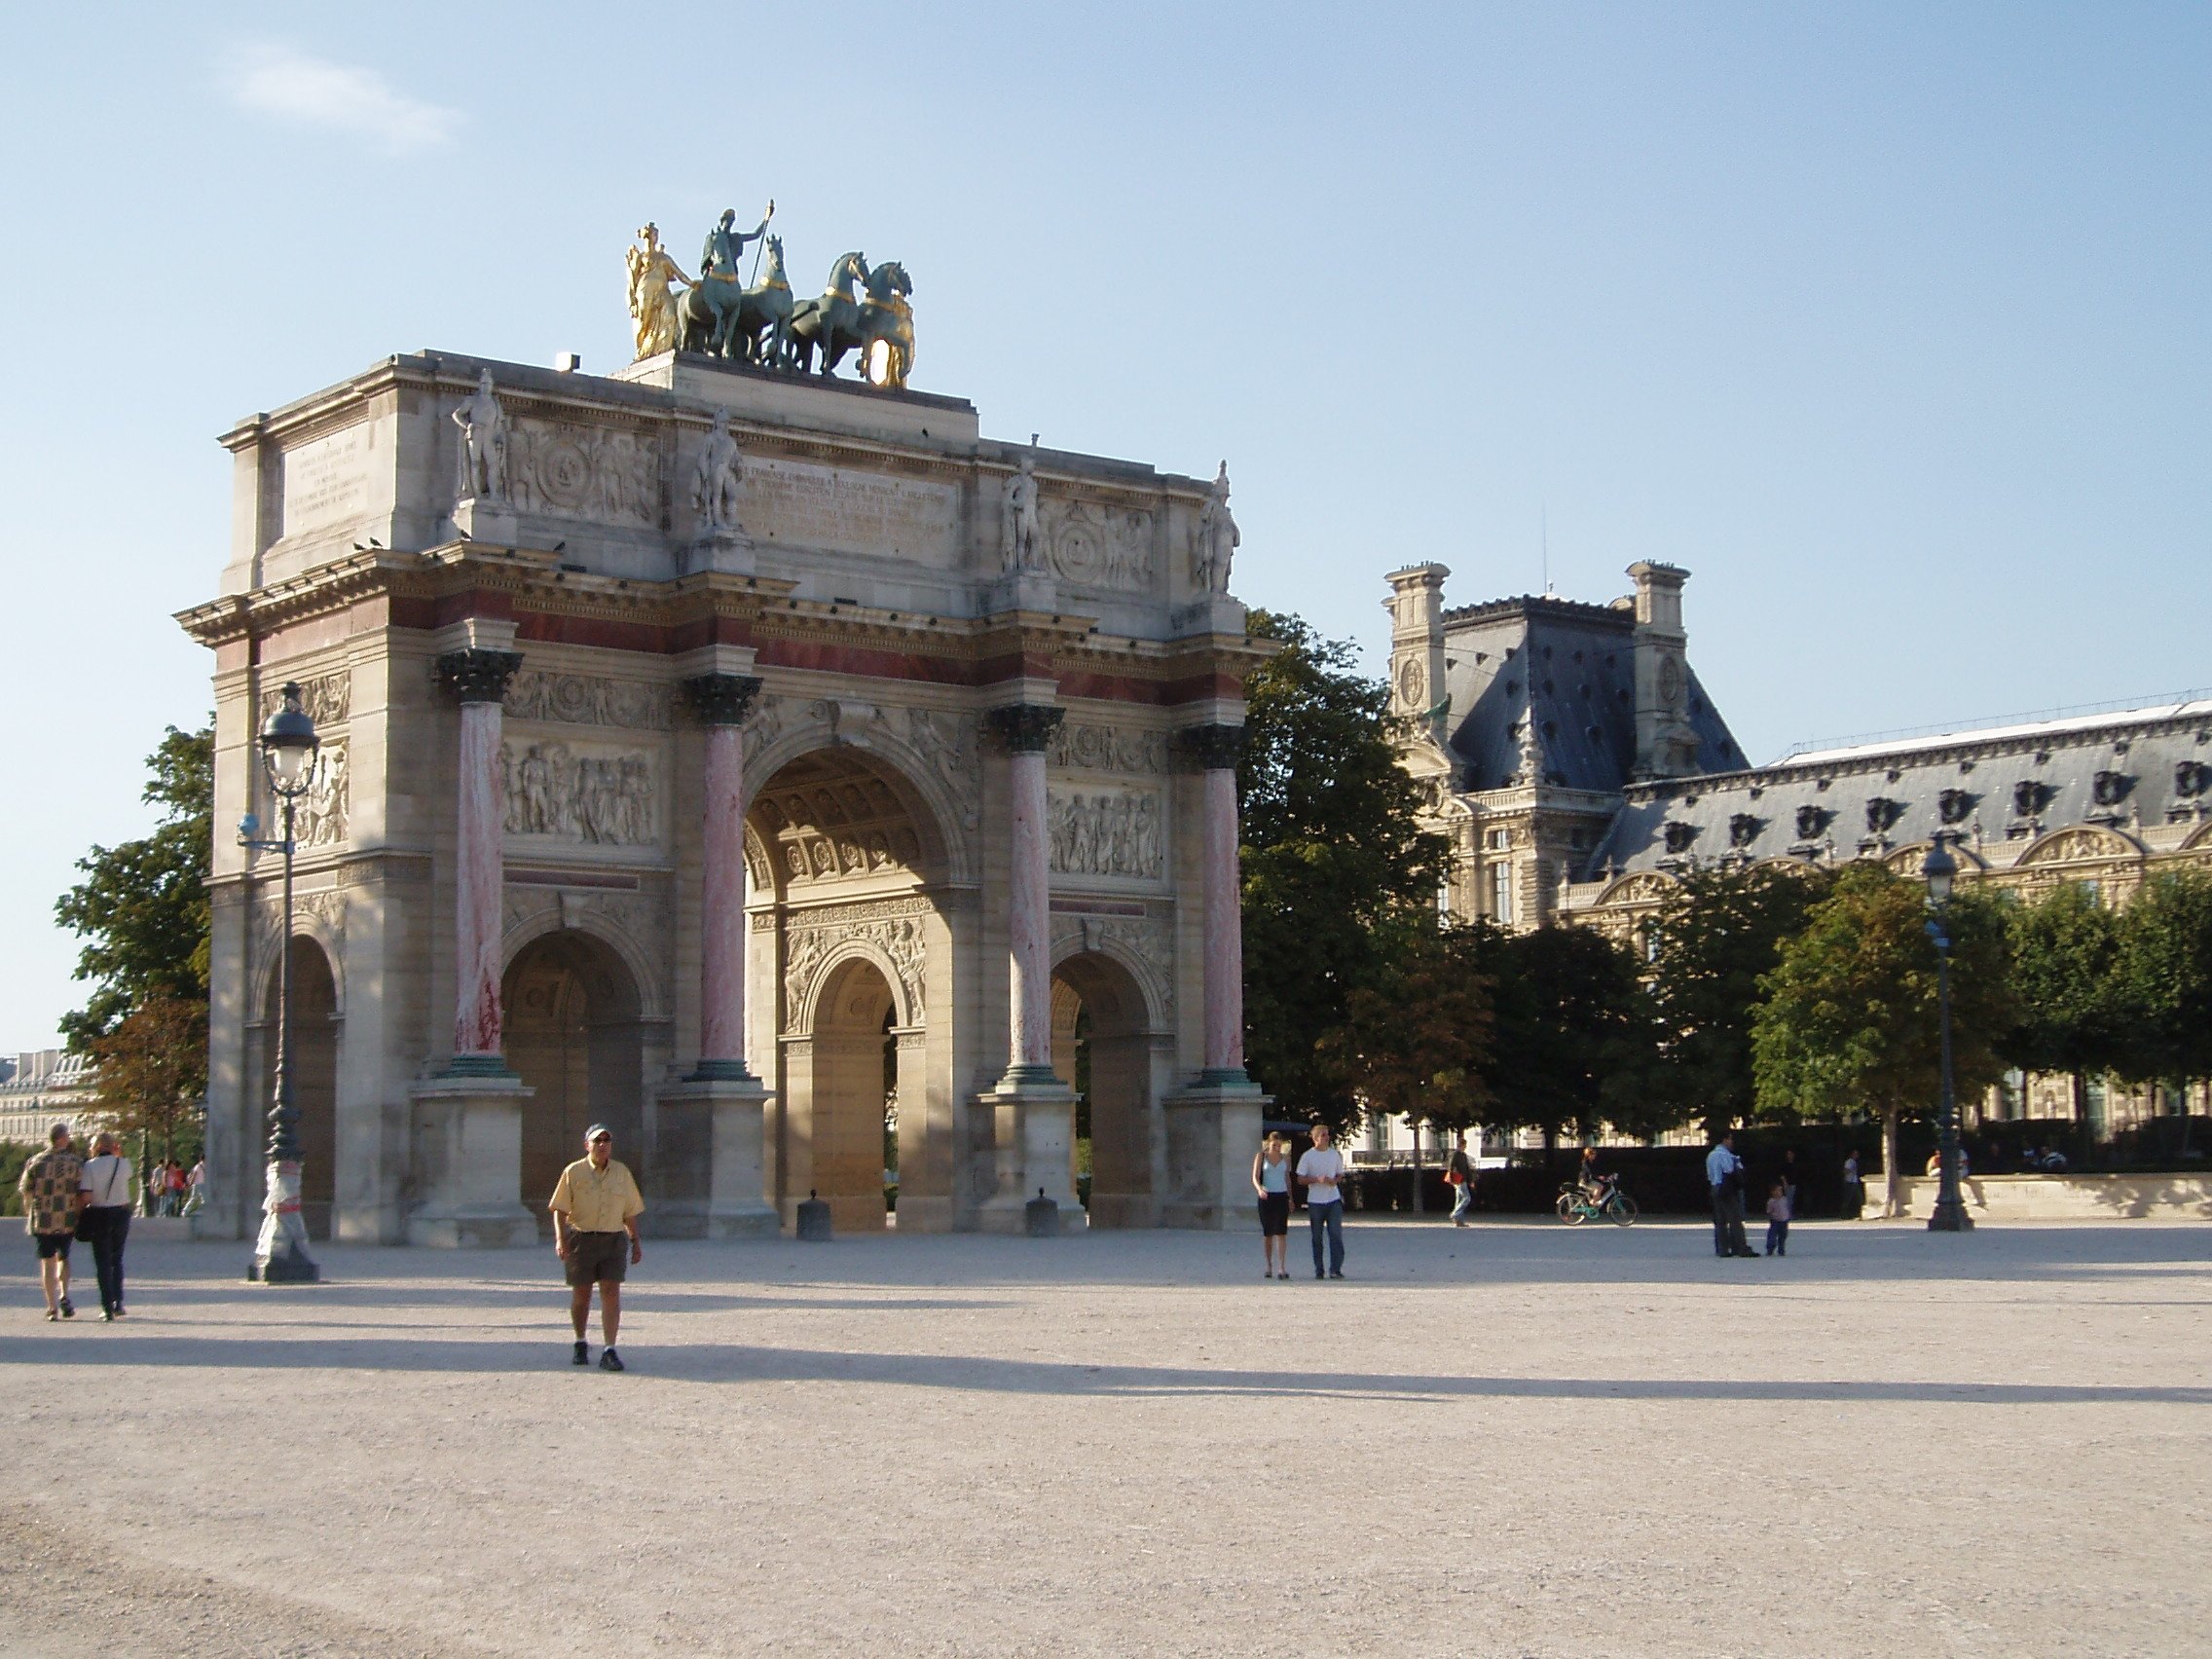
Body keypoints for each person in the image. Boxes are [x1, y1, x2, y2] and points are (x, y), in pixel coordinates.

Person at [549, 1124, 645, 1372]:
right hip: (582, 1238)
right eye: (597, 1140)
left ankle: (609, 1348)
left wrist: (635, 1241)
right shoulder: (574, 1172)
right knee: (582, 1294)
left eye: (607, 1140)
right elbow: (559, 1209)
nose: (602, 1145)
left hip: (613, 1238)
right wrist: (561, 1239)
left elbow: (630, 1211)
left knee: (611, 1293)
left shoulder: (622, 1173)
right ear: (587, 1145)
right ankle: (580, 1341)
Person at [18, 1124, 82, 1320]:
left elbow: (25, 1190)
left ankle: (51, 1307)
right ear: (62, 1139)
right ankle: (64, 1293)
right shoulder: (75, 1162)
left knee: (47, 1262)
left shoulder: (36, 1161)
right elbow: (82, 1190)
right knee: (64, 1257)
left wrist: (30, 1211)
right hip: (67, 1217)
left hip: (43, 1218)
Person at [77, 1133, 134, 1321]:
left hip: (100, 1214)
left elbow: (86, 1196)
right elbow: (128, 1175)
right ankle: (119, 1302)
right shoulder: (123, 1163)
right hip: (121, 1214)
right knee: (116, 1259)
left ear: (99, 1146)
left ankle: (107, 1306)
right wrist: (119, 1154)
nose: (89, 1148)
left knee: (102, 1262)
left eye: (92, 1145)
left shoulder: (90, 1166)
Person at [1296, 1123, 1347, 1280]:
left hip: (1333, 1200)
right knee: (1317, 1237)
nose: (1327, 1137)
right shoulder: (1307, 1156)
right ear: (1315, 1138)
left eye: (1327, 1134)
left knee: (1335, 1235)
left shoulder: (1334, 1154)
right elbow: (1300, 1179)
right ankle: (1319, 1269)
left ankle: (1335, 1269)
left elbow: (1340, 1174)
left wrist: (1335, 1180)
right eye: (1323, 1135)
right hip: (1315, 1202)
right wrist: (1316, 1179)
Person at [1706, 1131, 1755, 1259]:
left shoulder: (1710, 1156)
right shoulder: (1725, 1155)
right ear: (1724, 1140)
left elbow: (1710, 1175)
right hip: (1726, 1188)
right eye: (1730, 1139)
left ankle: (1722, 1249)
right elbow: (1729, 1170)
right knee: (1735, 1219)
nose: (1732, 1142)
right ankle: (1740, 1247)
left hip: (1714, 1187)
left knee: (1720, 1220)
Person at [1251, 1133, 1293, 1279]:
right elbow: (1255, 1177)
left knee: (1281, 1232)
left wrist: (1290, 1198)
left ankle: (1282, 1267)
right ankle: (1269, 1266)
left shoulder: (1285, 1158)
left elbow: (1287, 1179)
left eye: (1279, 1145)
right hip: (1266, 1197)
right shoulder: (1261, 1156)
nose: (1276, 1148)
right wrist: (1260, 1189)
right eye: (1274, 1145)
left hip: (1281, 1196)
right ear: (1268, 1144)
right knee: (1268, 1233)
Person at [1447, 1131, 1477, 1227]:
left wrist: (1471, 1181)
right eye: (1464, 1145)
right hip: (1458, 1180)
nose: (1465, 1147)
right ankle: (1455, 1214)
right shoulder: (1456, 1155)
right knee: (1467, 1198)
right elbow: (1451, 1167)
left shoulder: (1463, 1155)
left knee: (1459, 1200)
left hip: (1463, 1179)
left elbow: (1467, 1169)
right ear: (1461, 1145)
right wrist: (1452, 1179)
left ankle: (1459, 1221)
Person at [1763, 1178, 1792, 1258]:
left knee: (1783, 1236)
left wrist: (1784, 1181)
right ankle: (1770, 1248)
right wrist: (1770, 1217)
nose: (1780, 1193)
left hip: (1784, 1221)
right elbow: (1768, 1211)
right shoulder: (1771, 1201)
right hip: (1775, 1221)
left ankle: (1781, 1249)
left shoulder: (1784, 1199)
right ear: (1772, 1192)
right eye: (1777, 1191)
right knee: (1772, 1236)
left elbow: (1787, 1190)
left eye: (1781, 1191)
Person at [1841, 1150, 1863, 1221]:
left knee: (1858, 1198)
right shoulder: (1849, 1162)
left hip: (1854, 1181)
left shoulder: (1854, 1162)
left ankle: (1859, 1213)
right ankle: (1844, 1214)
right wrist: (1851, 1170)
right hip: (1849, 1182)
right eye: (1855, 1154)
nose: (1857, 1155)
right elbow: (1845, 1171)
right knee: (1848, 1199)